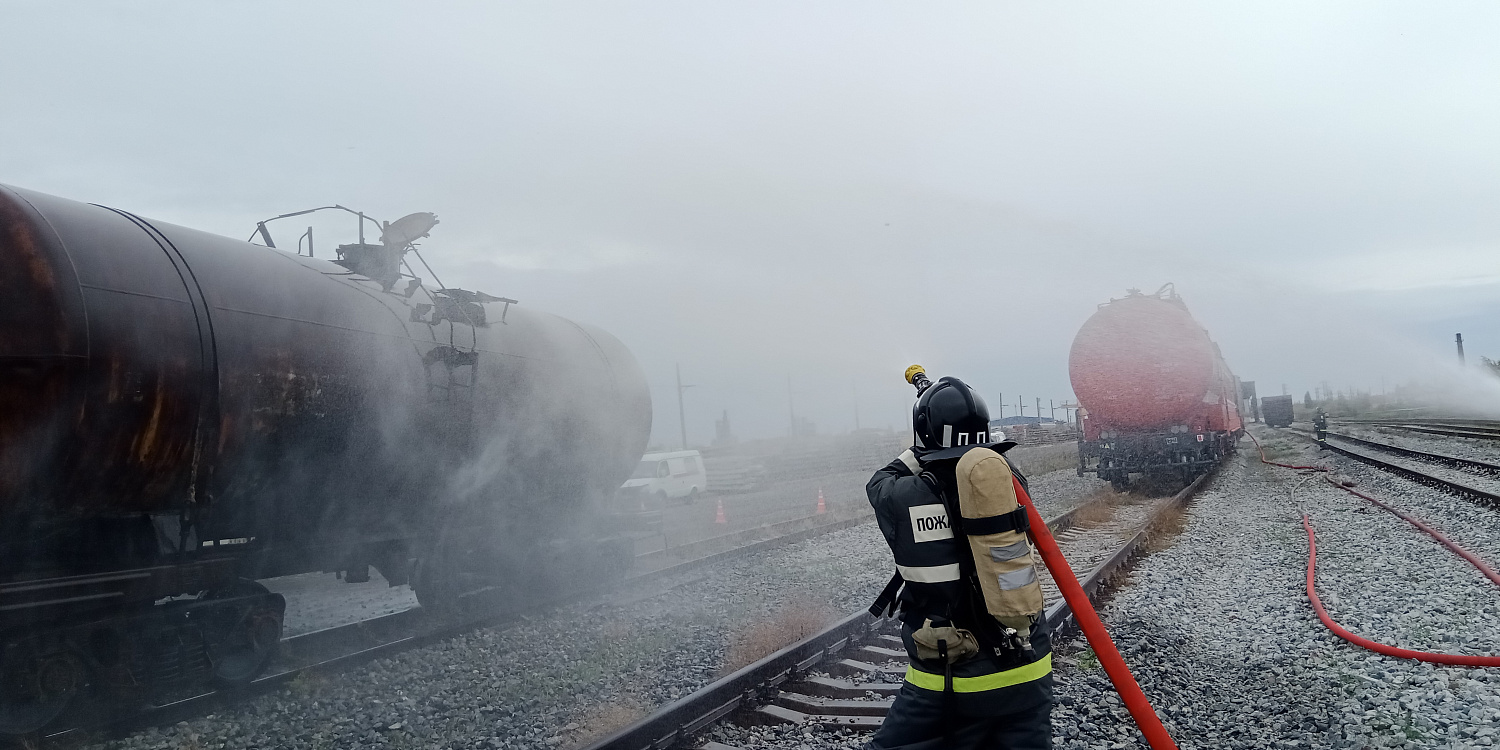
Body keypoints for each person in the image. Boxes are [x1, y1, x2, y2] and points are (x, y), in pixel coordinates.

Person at [864, 369, 1053, 750]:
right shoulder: (1010, 482)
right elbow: (982, 466)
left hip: (950, 682)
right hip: (1029, 670)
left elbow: (881, 479)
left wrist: (922, 444)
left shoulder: (900, 496)